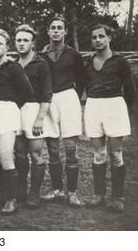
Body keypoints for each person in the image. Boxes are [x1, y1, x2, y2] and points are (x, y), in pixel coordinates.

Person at [84, 24, 136, 213]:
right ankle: (99, 195)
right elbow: (84, 87)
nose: (97, 40)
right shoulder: (89, 62)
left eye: (101, 36)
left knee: (115, 154)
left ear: (109, 38)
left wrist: (124, 110)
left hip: (114, 105)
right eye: (94, 37)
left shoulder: (119, 61)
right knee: (99, 153)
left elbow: (130, 90)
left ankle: (118, 197)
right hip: (93, 105)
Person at [39, 16, 85, 207]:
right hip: (49, 100)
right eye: (53, 28)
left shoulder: (74, 55)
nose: (56, 31)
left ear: (65, 32)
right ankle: (57, 189)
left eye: (60, 28)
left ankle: (72, 192)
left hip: (68, 97)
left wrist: (74, 99)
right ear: (48, 31)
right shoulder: (41, 54)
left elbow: (82, 80)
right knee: (53, 148)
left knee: (70, 147)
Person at [0, 29, 33, 215]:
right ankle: (3, 193)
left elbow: (27, 91)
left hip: (7, 110)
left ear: (7, 47)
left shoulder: (13, 67)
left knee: (6, 154)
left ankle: (11, 200)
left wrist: (12, 104)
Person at [14, 24, 54, 209]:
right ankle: (20, 191)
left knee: (35, 153)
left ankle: (34, 193)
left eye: (25, 40)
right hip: (16, 110)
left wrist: (40, 118)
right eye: (18, 40)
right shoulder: (13, 63)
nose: (21, 44)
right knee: (20, 153)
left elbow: (47, 94)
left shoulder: (41, 64)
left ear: (33, 43)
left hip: (34, 110)